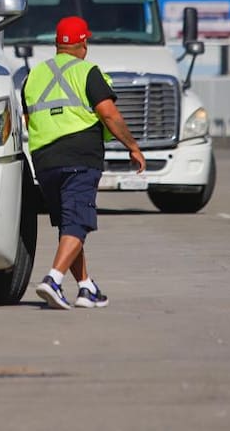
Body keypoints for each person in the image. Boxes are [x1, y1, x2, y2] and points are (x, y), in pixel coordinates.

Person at [22, 15, 146, 310]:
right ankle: (53, 279)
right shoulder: (88, 71)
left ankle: (86, 287)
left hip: (44, 160)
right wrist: (133, 147)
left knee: (69, 224)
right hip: (80, 155)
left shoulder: (32, 76)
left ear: (56, 44)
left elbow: (29, 120)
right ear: (83, 43)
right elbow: (109, 114)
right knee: (78, 221)